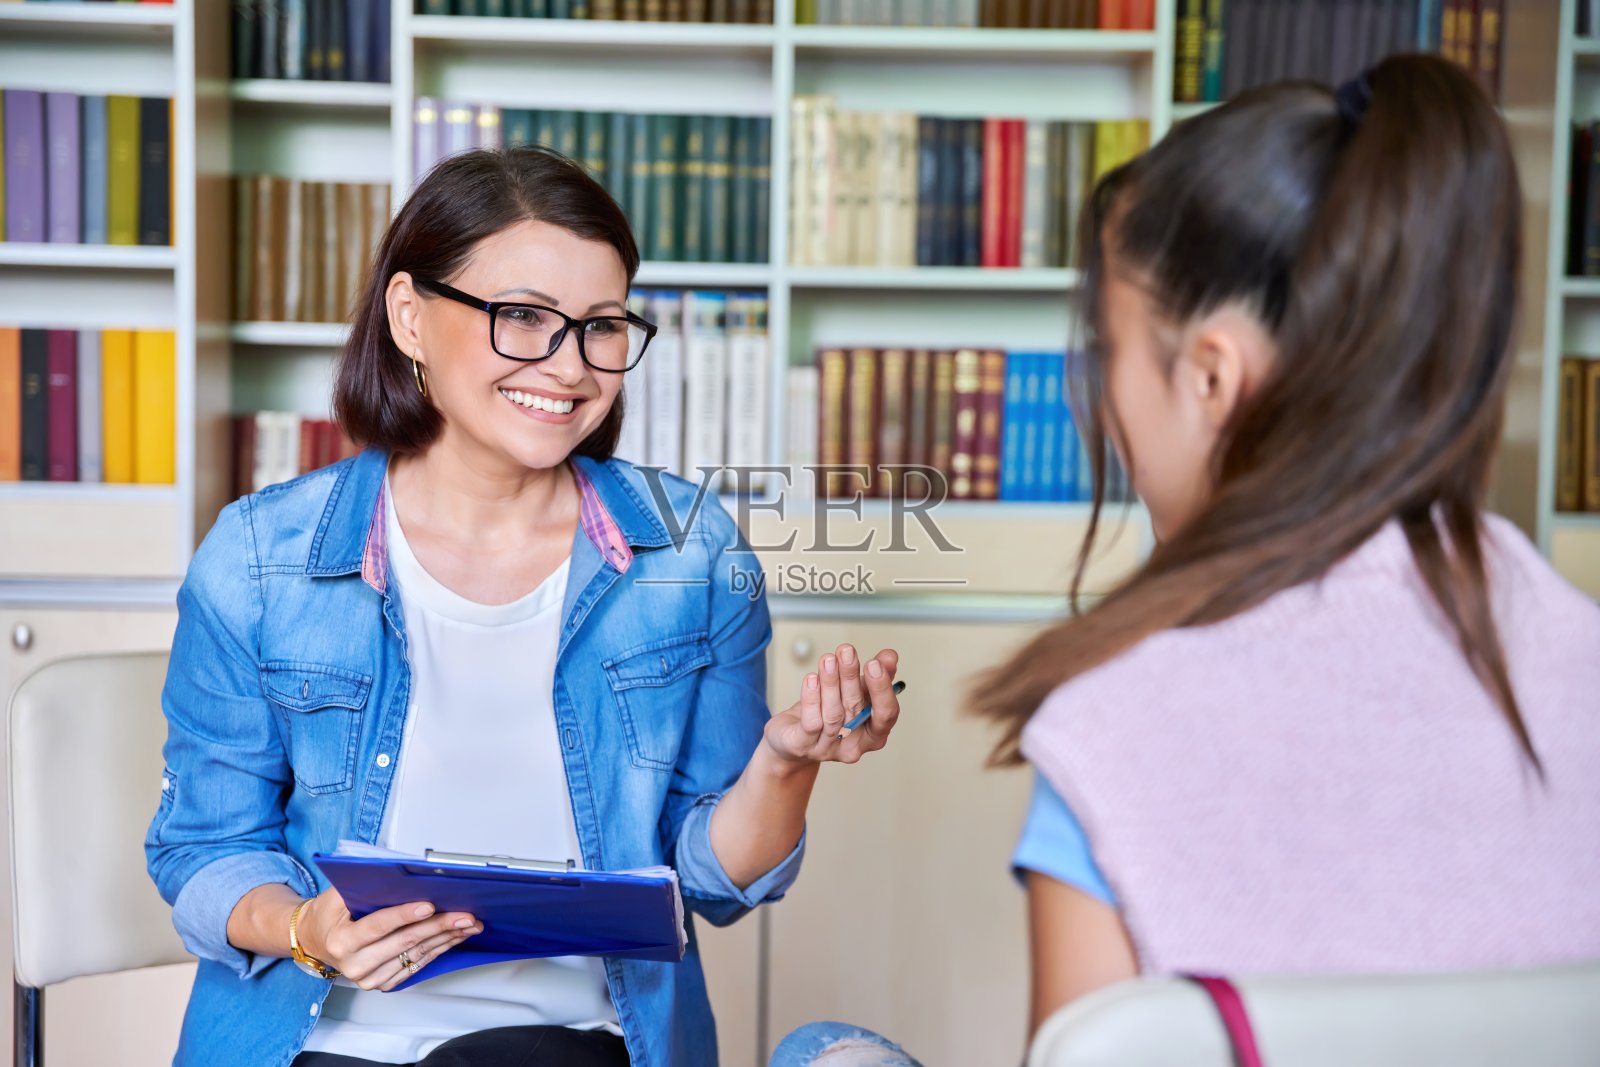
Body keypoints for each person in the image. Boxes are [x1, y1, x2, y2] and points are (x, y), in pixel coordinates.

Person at [772, 54, 1600, 1066]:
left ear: (1209, 375)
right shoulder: (1580, 647)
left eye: (1109, 348)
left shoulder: (1112, 720)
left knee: (820, 1051)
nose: (1103, 400)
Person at [145, 145, 903, 1067]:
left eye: (601, 326)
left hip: (575, 1044)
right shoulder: (261, 559)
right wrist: (308, 927)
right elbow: (202, 849)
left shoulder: (691, 554)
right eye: (524, 317)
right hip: (322, 1042)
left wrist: (783, 764)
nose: (570, 365)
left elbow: (710, 883)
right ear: (410, 316)